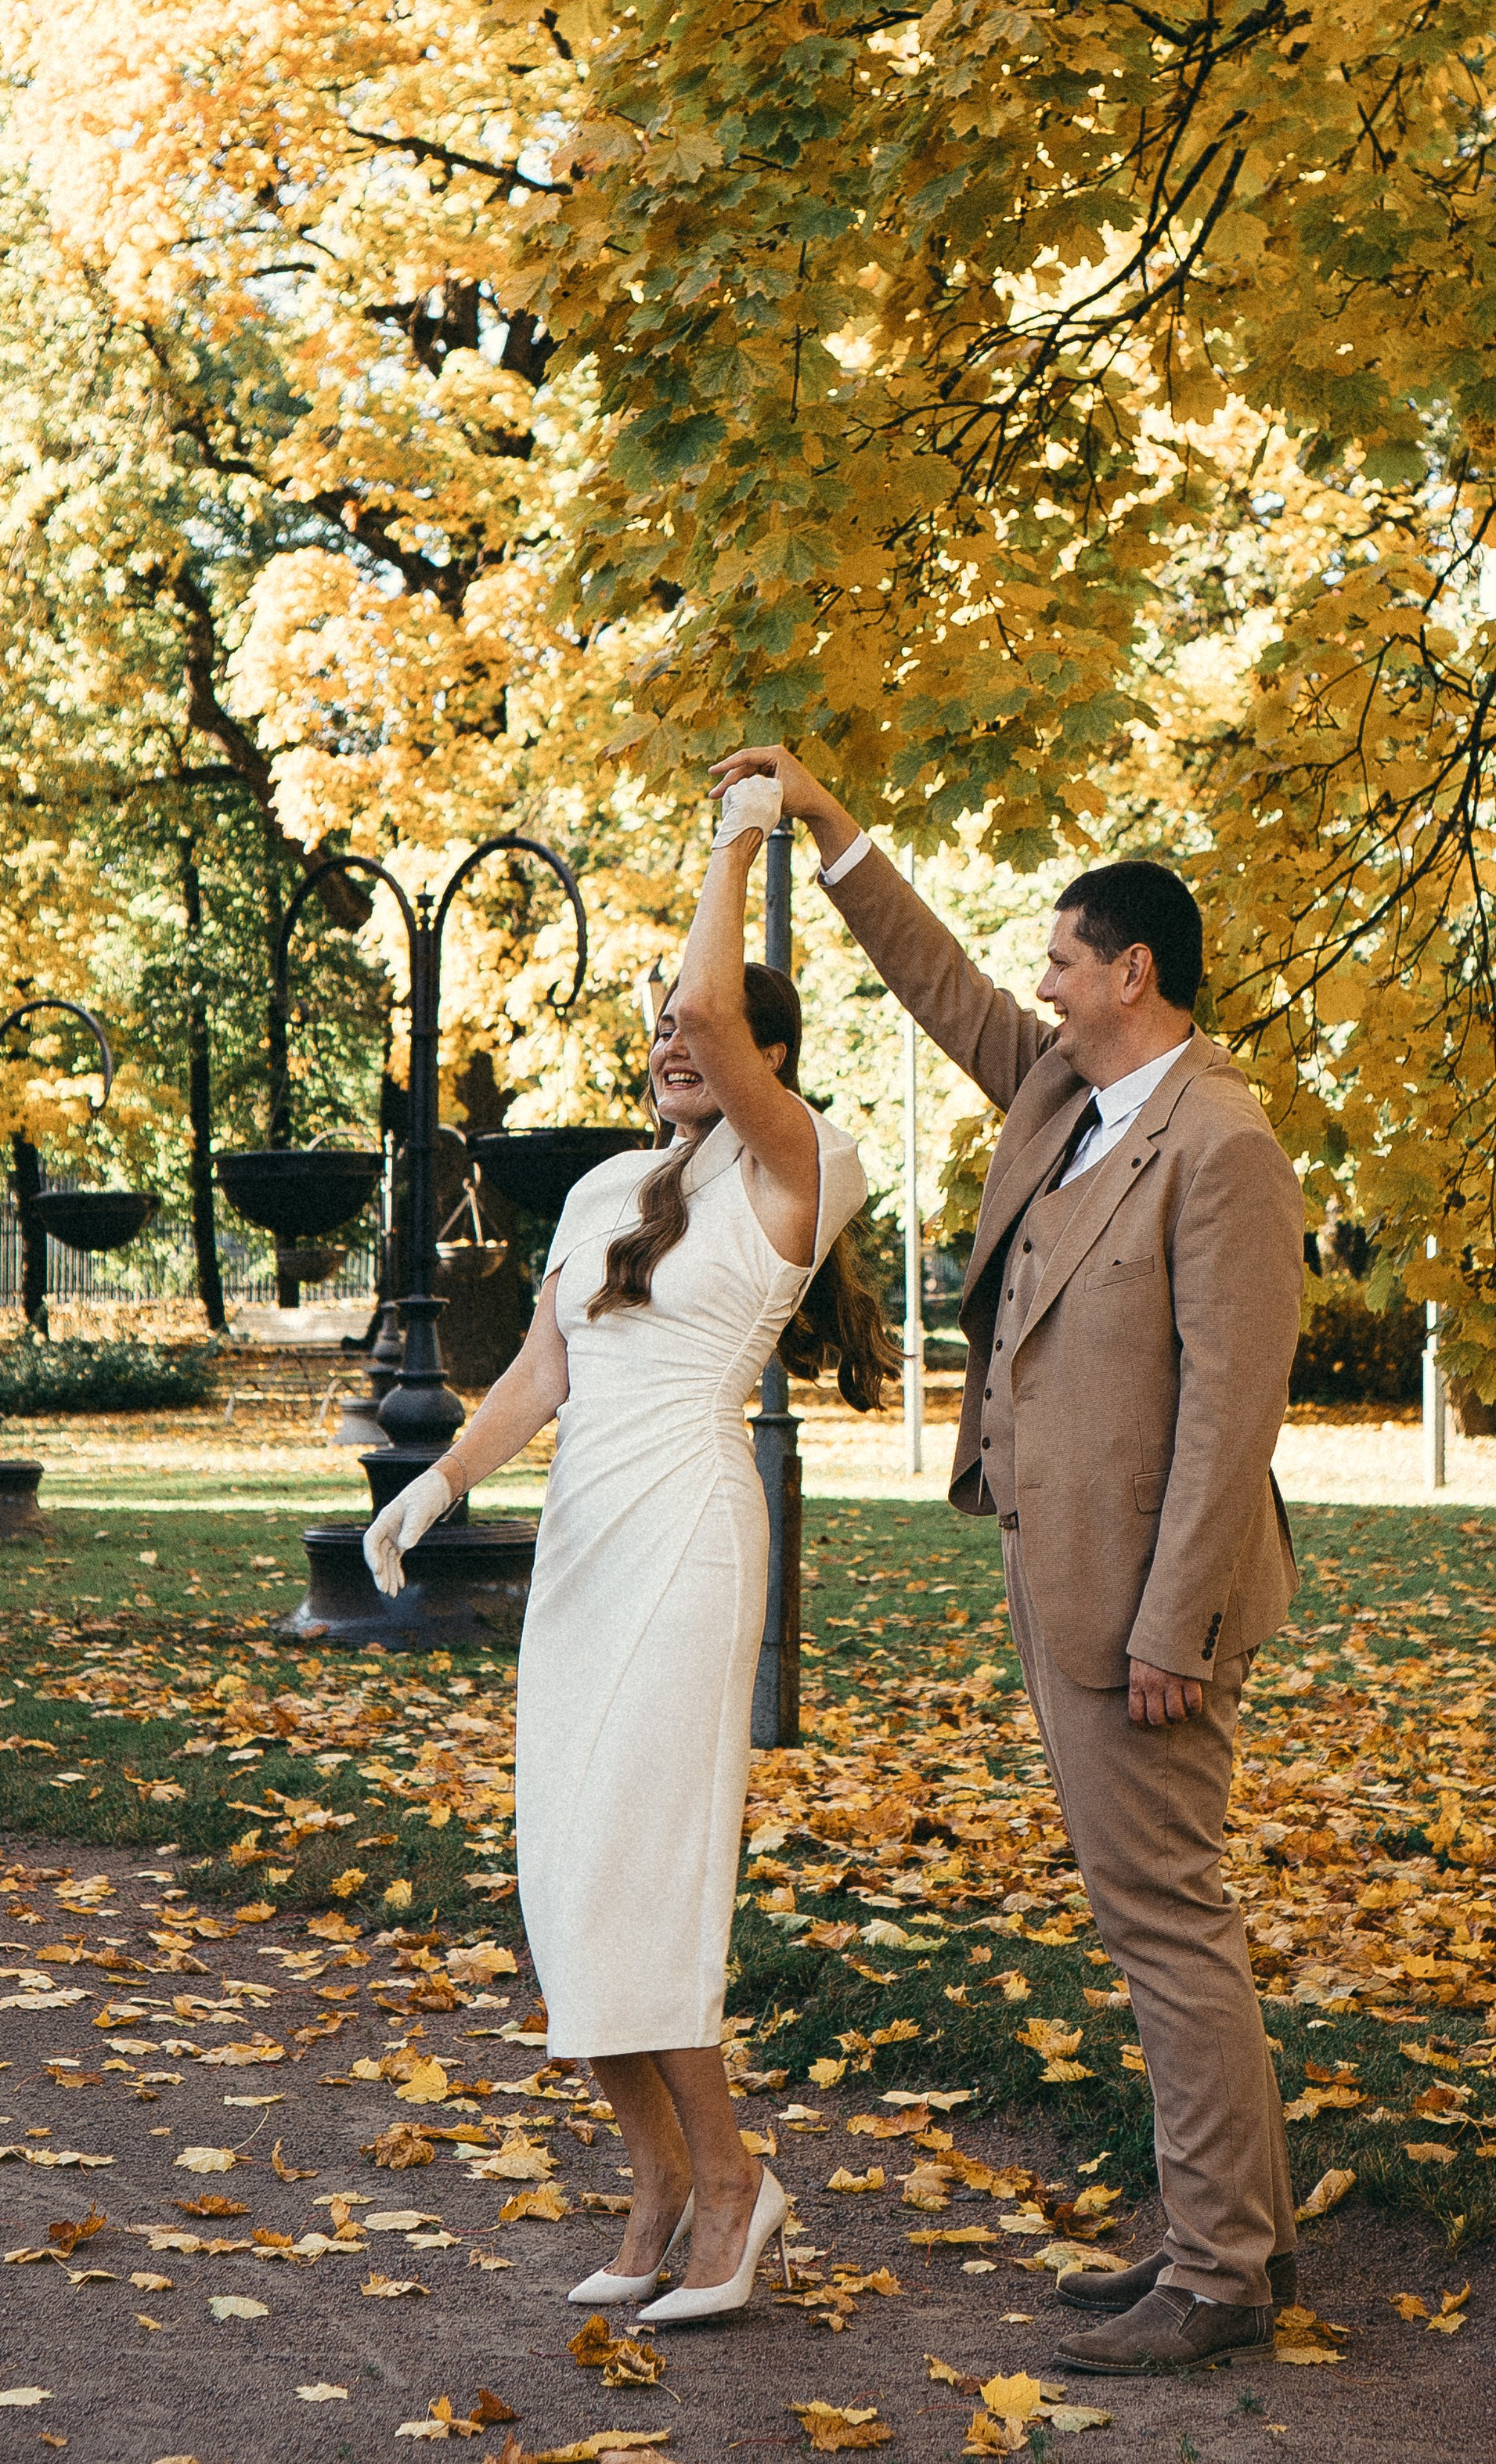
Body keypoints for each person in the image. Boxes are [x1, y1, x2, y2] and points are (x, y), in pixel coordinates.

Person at [710, 745, 1305, 2380]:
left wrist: (1174, 1622)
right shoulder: (1065, 1096)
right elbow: (936, 983)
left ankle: (1220, 2275)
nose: (1037, 984)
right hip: (1059, 1573)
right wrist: (827, 822)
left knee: (1165, 1916)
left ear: (1133, 972)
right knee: (1149, 1913)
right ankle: (1227, 2234)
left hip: (1150, 1607)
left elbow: (1230, 1420)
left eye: (1061, 960)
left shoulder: (1222, 1143)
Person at [362, 775, 893, 2326]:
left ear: (767, 1059)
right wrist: (437, 1486)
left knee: (645, 1860)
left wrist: (740, 837)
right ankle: (656, 2182)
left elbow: (716, 1012)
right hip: (586, 1537)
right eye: (656, 1031)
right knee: (567, 1868)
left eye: (699, 1029)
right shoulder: (603, 1185)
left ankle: (732, 2185)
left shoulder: (804, 1163)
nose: (674, 1040)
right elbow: (543, 1369)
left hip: (688, 1527)